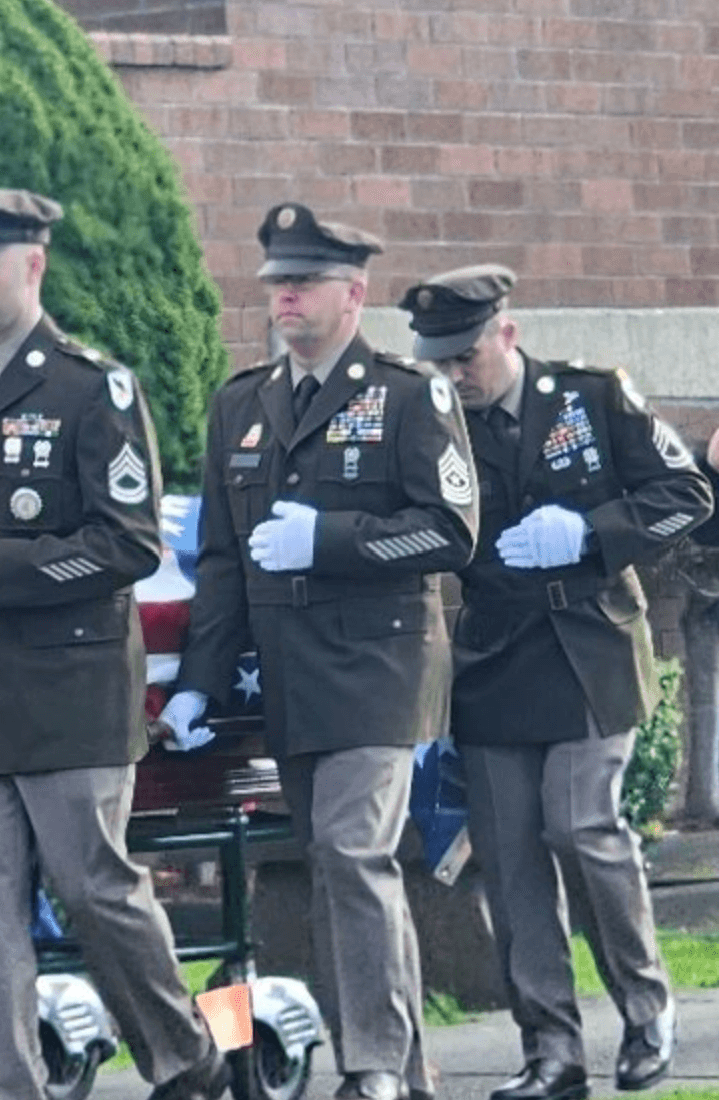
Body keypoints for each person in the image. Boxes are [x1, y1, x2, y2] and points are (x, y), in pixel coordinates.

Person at [160, 203, 479, 1100]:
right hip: (290, 679)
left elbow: (451, 531)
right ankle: (405, 1068)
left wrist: (331, 541)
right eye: (276, 284)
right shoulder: (242, 405)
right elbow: (220, 562)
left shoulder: (410, 394)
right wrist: (196, 685)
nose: (285, 298)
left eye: (303, 284)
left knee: (351, 853)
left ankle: (372, 1064)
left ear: (354, 294)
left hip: (381, 670)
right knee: (333, 864)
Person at [0, 185, 223, 1100]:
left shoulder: (92, 387)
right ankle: (10, 1087)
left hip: (69, 684)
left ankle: (185, 1055)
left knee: (93, 887)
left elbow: (130, 542)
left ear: (33, 265)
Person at [399, 265, 712, 1100]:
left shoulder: (592, 397)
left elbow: (685, 495)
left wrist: (591, 529)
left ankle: (647, 1012)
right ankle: (551, 1052)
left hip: (587, 648)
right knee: (509, 862)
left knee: (581, 825)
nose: (454, 375)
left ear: (507, 332)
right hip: (496, 659)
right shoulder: (434, 425)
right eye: (440, 361)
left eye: (465, 356)